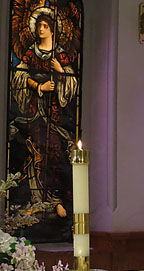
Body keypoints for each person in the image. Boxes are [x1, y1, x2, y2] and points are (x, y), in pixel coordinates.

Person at [10, 12, 77, 218]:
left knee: (55, 149)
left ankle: (55, 199)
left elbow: (72, 83)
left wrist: (60, 71)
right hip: (33, 110)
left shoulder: (60, 54)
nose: (40, 29)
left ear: (52, 29)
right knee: (32, 149)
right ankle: (33, 200)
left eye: (45, 26)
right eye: (38, 26)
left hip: (56, 114)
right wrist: (39, 86)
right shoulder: (31, 53)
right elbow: (19, 76)